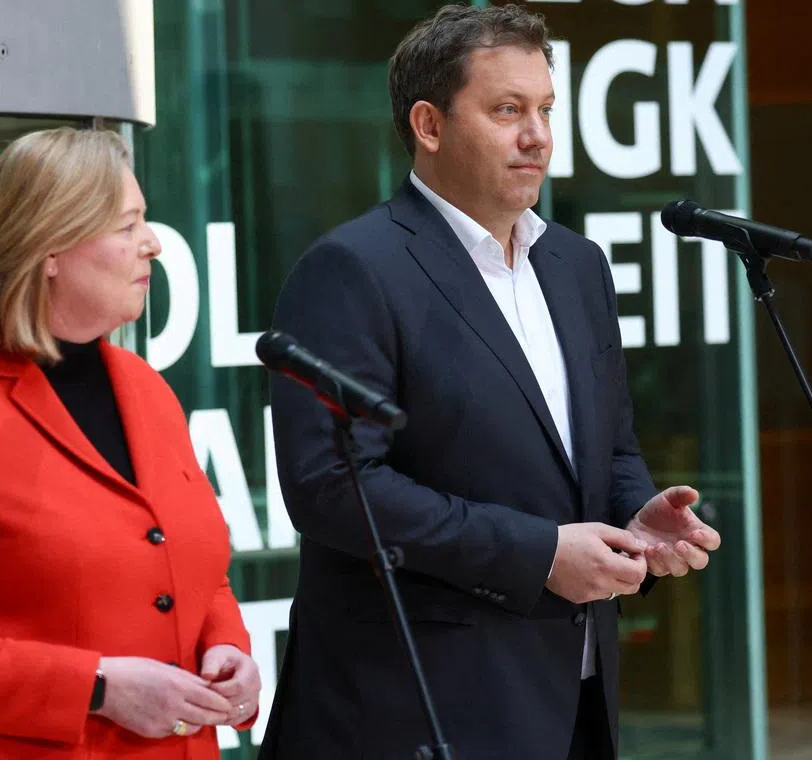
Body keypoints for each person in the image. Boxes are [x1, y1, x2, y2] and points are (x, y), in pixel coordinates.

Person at [258, 5, 721, 760]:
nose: (537, 135)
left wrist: (637, 513)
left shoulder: (578, 267)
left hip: (575, 693)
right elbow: (333, 489)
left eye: (544, 109)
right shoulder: (353, 270)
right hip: (419, 708)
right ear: (429, 126)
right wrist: (540, 552)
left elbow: (608, 448)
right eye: (507, 110)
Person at [0, 127, 260, 760]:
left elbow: (189, 568)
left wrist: (226, 646)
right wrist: (95, 687)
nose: (153, 244)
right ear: (50, 248)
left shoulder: (147, 391)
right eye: (128, 225)